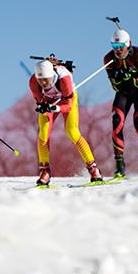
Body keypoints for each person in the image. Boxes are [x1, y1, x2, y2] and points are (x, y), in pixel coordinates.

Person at [29, 58, 102, 187]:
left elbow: (68, 106)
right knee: (43, 133)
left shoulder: (64, 79)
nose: (43, 83)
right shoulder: (33, 82)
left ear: (52, 75)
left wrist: (56, 108)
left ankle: (93, 169)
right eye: (40, 80)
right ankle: (45, 171)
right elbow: (40, 100)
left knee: (72, 132)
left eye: (46, 79)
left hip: (67, 100)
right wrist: (42, 106)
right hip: (49, 100)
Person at [103, 29, 138, 179]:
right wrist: (119, 79)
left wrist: (130, 78)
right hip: (124, 92)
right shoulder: (108, 59)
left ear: (128, 44)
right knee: (116, 123)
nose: (117, 50)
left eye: (120, 46)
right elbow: (114, 86)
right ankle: (120, 167)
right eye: (114, 46)